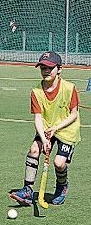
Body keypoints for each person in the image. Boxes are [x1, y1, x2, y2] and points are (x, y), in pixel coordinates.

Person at [10, 51, 80, 205]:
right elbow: (38, 117)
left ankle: (62, 186)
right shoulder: (36, 91)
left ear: (59, 69)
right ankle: (28, 190)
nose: (46, 71)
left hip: (67, 129)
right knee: (35, 149)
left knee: (59, 163)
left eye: (50, 68)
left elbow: (74, 115)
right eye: (43, 68)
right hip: (46, 127)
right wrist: (43, 138)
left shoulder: (69, 88)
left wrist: (56, 128)